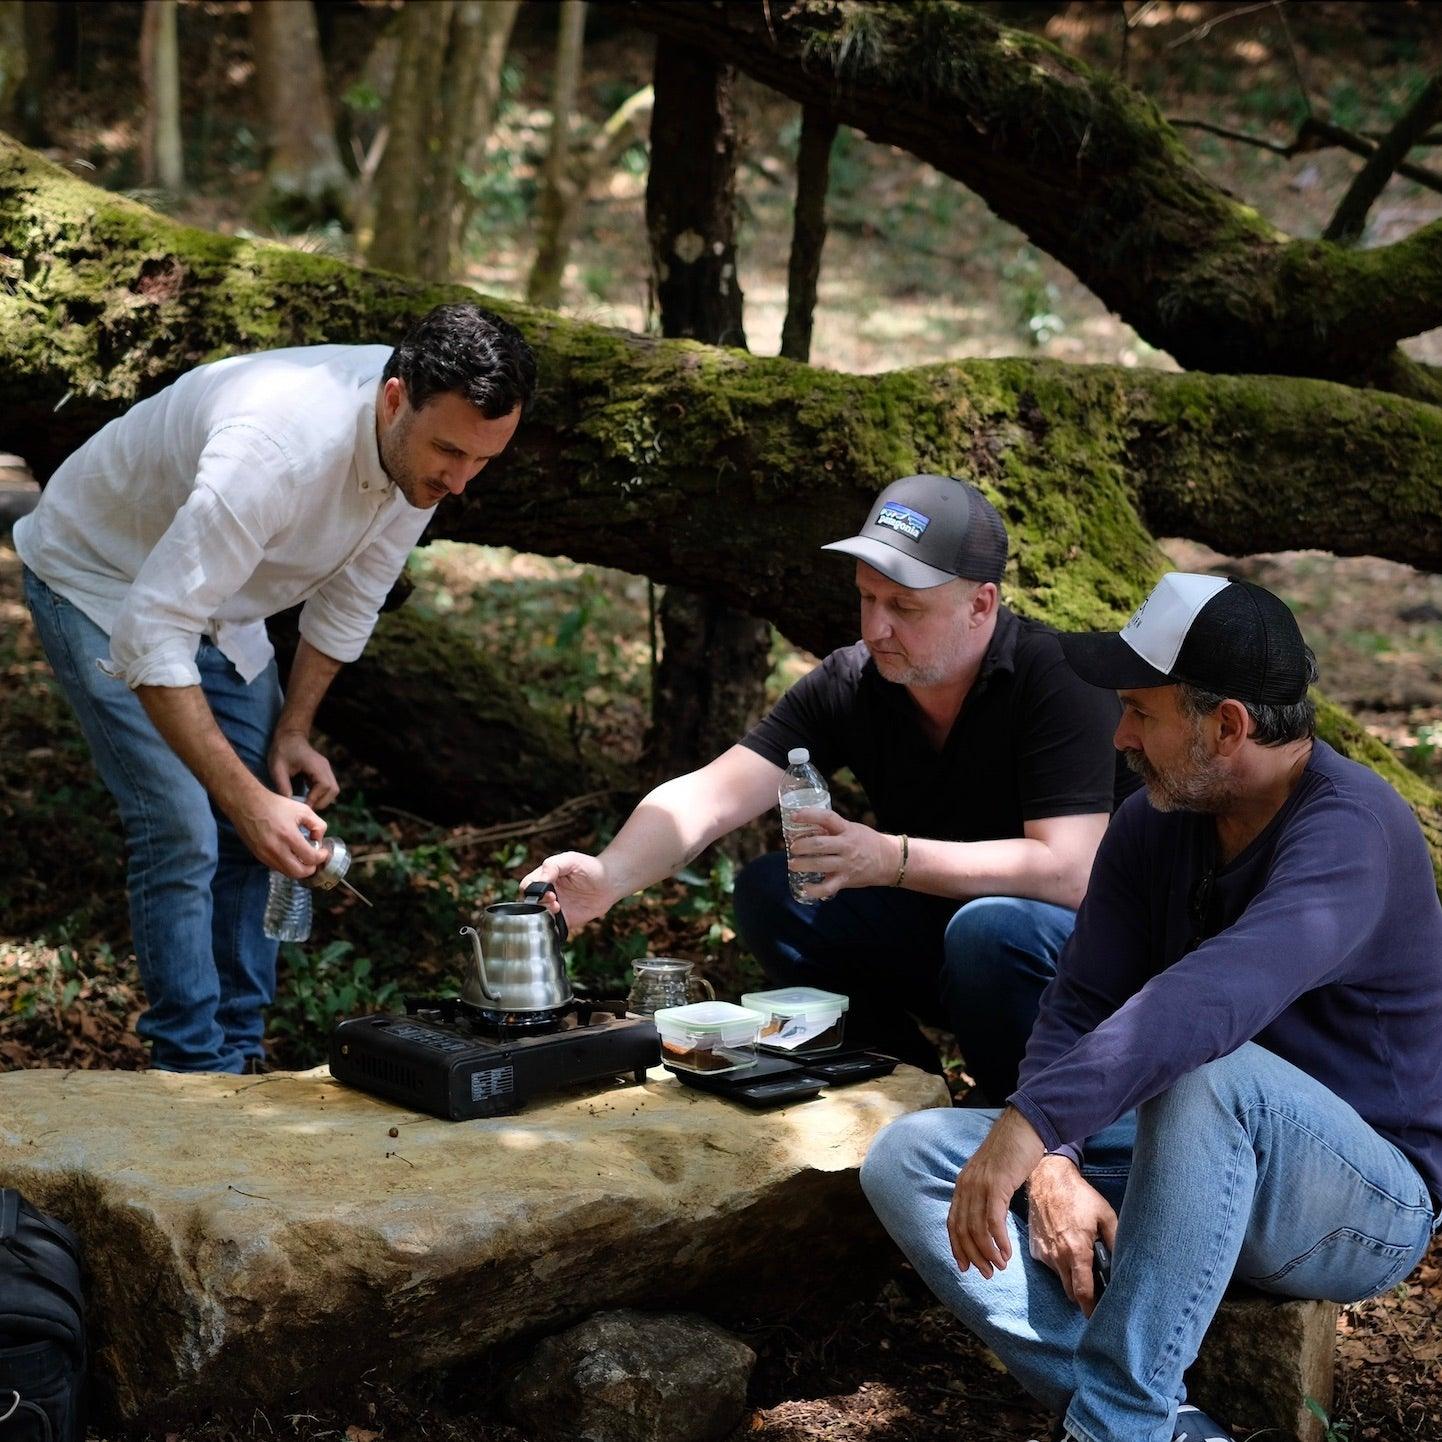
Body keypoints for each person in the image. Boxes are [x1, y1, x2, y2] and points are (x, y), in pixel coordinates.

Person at [861, 572, 1442, 1442]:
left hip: (1361, 1201)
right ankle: (1168, 1428)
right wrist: (1051, 1157)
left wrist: (1033, 1124)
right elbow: (1080, 1002)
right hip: (1192, 1151)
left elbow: (1210, 1001)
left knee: (1210, 1070)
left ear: (1228, 725)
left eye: (1141, 711)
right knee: (911, 1157)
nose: (1121, 735)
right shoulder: (1156, 818)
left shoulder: (1355, 831)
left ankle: (1113, 1426)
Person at [15, 303, 535, 1074]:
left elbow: (352, 596)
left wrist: (293, 731)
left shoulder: (418, 453)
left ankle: (240, 1045)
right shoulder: (272, 451)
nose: (460, 481)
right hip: (100, 582)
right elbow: (152, 634)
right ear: (395, 399)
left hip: (219, 601)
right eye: (451, 453)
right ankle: (192, 1066)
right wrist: (245, 802)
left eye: (484, 460)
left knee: (266, 814)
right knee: (187, 825)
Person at [526, 473, 1132, 1088]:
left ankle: (1023, 1116)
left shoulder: (1056, 677)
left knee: (991, 928)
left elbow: (1073, 871)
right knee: (773, 892)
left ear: (982, 604)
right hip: (950, 941)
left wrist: (890, 858)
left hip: (1083, 964)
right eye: (867, 599)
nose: (875, 628)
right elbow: (710, 795)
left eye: (904, 607)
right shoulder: (859, 680)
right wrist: (609, 877)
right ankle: (904, 1086)